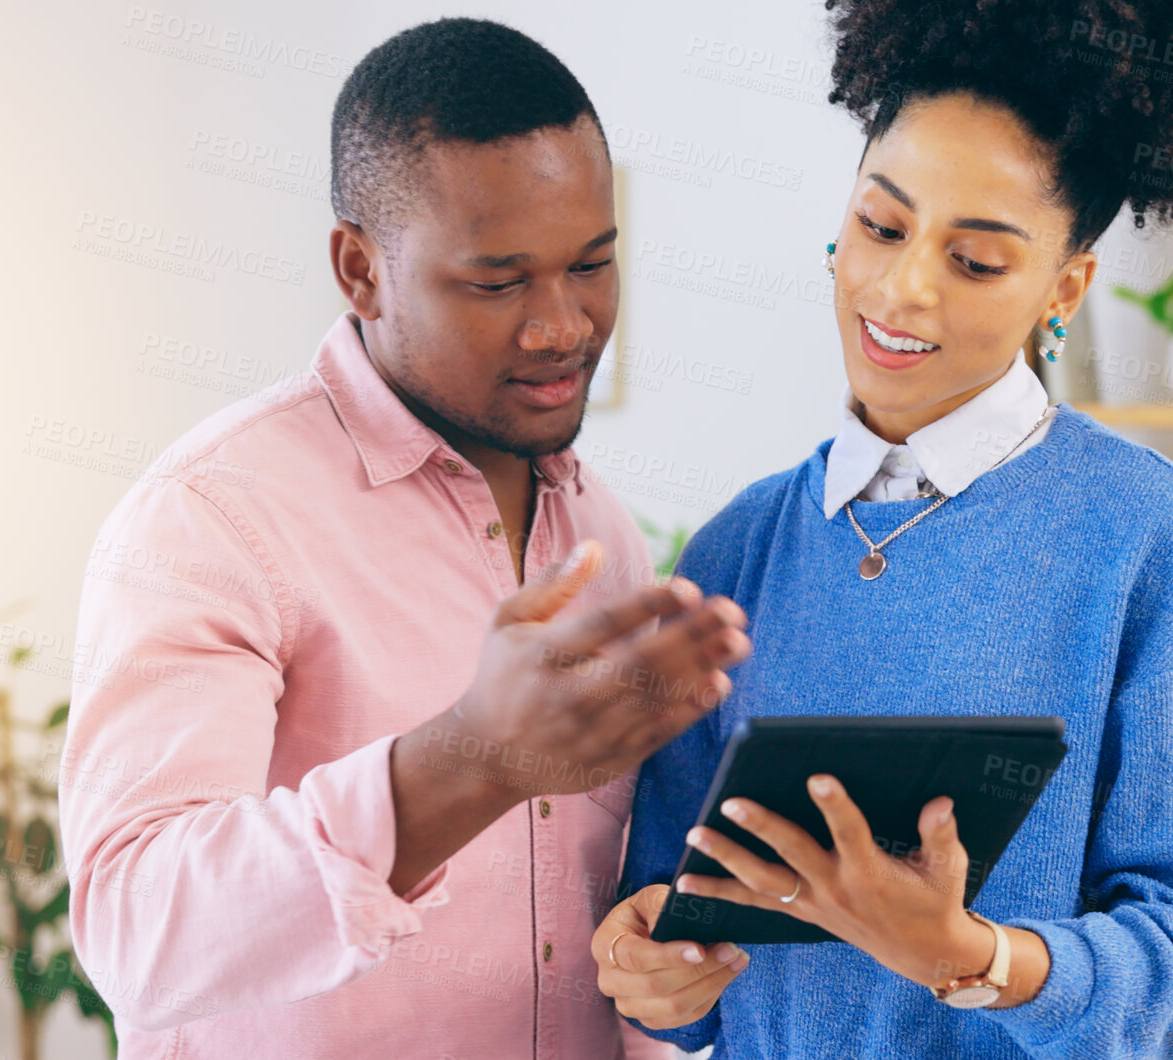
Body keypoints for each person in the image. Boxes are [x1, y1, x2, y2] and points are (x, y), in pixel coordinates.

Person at [594, 0, 1173, 1056]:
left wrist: (972, 957)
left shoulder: (1150, 540)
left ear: (1062, 290)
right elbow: (672, 922)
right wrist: (650, 971)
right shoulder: (737, 550)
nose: (902, 288)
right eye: (882, 226)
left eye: (974, 262)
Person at [58, 18, 749, 1059]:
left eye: (592, 264)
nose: (561, 324)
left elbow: (595, 939)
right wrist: (468, 758)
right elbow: (135, 934)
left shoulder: (601, 528)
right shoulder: (214, 513)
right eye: (497, 281)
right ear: (360, 269)